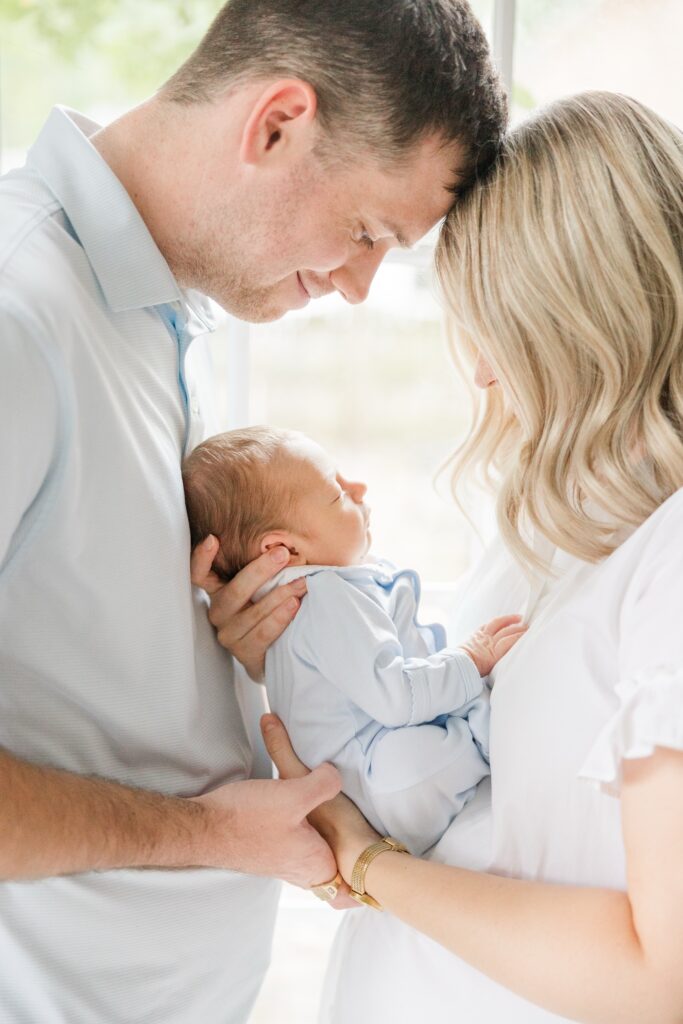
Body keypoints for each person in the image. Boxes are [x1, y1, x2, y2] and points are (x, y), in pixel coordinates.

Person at [0, 1, 507, 1020]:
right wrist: (215, 835)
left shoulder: (156, 311)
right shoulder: (18, 315)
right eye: (367, 232)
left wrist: (226, 648)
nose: (362, 286)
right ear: (275, 123)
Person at [232, 91, 683, 1023]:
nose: (478, 371)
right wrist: (299, 653)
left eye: (500, 325)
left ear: (590, 316)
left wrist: (369, 863)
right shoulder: (569, 519)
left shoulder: (670, 562)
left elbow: (659, 976)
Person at [182, 426, 526, 856]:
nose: (359, 488)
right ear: (283, 550)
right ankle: (480, 738)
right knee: (421, 757)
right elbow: (395, 697)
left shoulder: (297, 601)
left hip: (364, 797)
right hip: (388, 784)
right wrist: (471, 659)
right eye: (338, 492)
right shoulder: (326, 597)